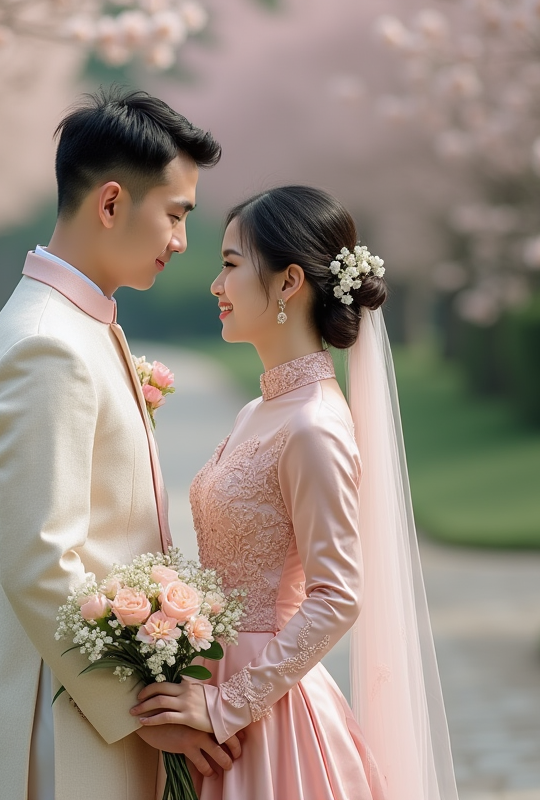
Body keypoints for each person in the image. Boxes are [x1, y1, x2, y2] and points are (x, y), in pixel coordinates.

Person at [130, 186, 459, 800]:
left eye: (230, 264)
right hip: (210, 688)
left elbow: (337, 596)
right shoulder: (261, 408)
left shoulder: (312, 425)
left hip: (265, 717)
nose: (215, 285)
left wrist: (228, 704)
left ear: (288, 284)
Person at [0, 87, 240, 800]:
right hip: (71, 726)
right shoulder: (48, 347)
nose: (182, 241)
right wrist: (143, 710)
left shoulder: (79, 324)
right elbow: (38, 558)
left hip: (88, 712)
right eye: (176, 214)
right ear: (113, 203)